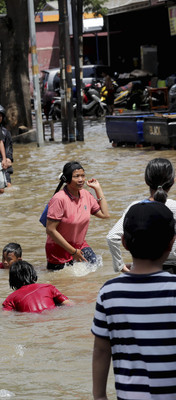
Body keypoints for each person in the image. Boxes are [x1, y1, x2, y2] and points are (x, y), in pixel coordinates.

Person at [92, 201, 176, 400]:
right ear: (172, 242)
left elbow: (101, 351)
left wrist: (100, 397)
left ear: (124, 243)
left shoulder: (109, 293)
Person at [107, 158, 176, 273]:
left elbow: (112, 237)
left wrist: (120, 266)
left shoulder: (136, 207)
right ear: (173, 181)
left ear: (146, 180)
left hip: (143, 269)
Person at [45, 161, 110, 270]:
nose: (81, 179)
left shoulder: (85, 195)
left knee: (96, 268)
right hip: (58, 253)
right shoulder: (59, 199)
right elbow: (50, 230)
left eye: (83, 176)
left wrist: (98, 189)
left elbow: (105, 214)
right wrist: (73, 252)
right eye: (76, 176)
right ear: (67, 179)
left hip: (80, 246)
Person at [2, 261, 71, 313]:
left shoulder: (11, 298)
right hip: (52, 316)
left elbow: (5, 315)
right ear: (33, 275)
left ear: (12, 281)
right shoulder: (48, 287)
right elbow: (68, 304)